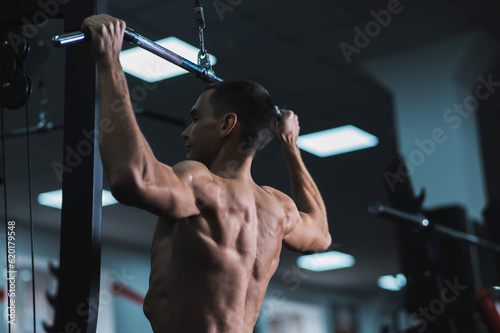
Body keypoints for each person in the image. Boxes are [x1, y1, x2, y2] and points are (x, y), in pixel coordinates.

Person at [82, 14, 331, 333]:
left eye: (196, 118)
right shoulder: (277, 209)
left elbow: (133, 177)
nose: (186, 132)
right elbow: (321, 234)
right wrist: (290, 145)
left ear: (227, 125)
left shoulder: (203, 184)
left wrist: (109, 62)